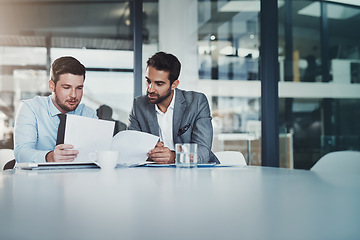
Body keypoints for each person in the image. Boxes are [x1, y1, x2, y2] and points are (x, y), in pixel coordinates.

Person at [128, 51, 219, 164]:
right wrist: (149, 152)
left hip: (193, 172)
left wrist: (174, 157)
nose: (150, 89)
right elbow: (130, 147)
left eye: (159, 84)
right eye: (148, 81)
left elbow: (203, 151)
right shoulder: (139, 105)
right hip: (153, 174)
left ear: (174, 84)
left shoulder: (196, 102)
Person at [14, 56, 97, 163]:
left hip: (74, 176)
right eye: (66, 87)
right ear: (51, 86)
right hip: (35, 177)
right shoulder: (31, 108)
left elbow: (97, 152)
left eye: (79, 88)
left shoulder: (88, 114)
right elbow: (21, 153)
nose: (73, 95)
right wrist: (50, 157)